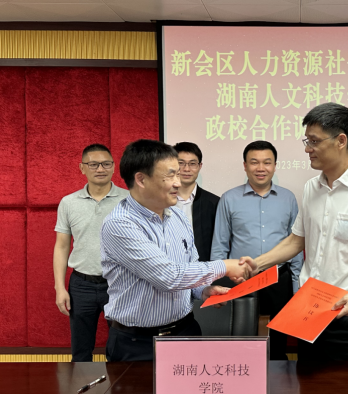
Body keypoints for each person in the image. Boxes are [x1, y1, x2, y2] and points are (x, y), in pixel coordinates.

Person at [240, 103, 348, 361]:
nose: (308, 148)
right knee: (306, 383)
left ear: (341, 141)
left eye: (314, 141)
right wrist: (257, 264)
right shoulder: (311, 187)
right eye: (307, 141)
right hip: (308, 310)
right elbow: (296, 241)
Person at [100, 140, 251, 362]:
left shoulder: (177, 216)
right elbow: (168, 276)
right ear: (141, 179)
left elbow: (190, 265)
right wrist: (225, 266)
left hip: (185, 331)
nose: (178, 183)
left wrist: (203, 290)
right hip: (138, 343)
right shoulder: (120, 224)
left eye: (178, 175)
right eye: (170, 175)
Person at [211, 141, 303, 360]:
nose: (261, 168)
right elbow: (220, 244)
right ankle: (243, 369)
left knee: (279, 339)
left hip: (279, 276)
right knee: (242, 335)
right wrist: (216, 281)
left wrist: (297, 284)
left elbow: (296, 244)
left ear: (275, 165)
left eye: (267, 162)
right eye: (254, 162)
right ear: (245, 165)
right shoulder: (229, 198)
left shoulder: (288, 198)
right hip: (241, 278)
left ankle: (279, 372)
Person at [53, 144, 129, 362]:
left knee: (121, 350)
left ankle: (119, 386)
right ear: (82, 168)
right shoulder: (69, 202)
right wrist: (59, 288)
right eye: (93, 164)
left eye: (106, 164)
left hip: (120, 283)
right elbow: (61, 246)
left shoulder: (129, 200)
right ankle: (81, 386)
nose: (100, 169)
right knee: (81, 352)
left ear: (113, 167)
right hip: (81, 285)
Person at [173, 142, 219, 261]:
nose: (186, 169)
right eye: (181, 163)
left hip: (203, 268)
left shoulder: (214, 203)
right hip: (169, 267)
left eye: (192, 164)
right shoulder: (160, 202)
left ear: (200, 166)